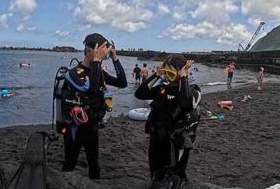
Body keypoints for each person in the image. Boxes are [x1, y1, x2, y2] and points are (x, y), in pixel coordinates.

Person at [59, 33, 127, 179]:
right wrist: (96, 61)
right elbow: (89, 89)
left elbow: (122, 83)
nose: (103, 57)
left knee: (94, 163)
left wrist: (115, 58)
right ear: (89, 51)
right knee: (70, 163)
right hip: (75, 127)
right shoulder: (73, 74)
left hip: (92, 125)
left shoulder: (99, 72)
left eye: (105, 54)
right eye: (101, 52)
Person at [135, 54, 202, 181]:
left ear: (182, 71)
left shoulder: (193, 91)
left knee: (175, 173)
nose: (168, 76)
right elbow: (140, 93)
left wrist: (183, 77)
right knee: (156, 170)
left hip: (177, 141)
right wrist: (156, 74)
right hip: (158, 137)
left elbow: (185, 104)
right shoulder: (162, 89)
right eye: (166, 72)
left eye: (171, 72)